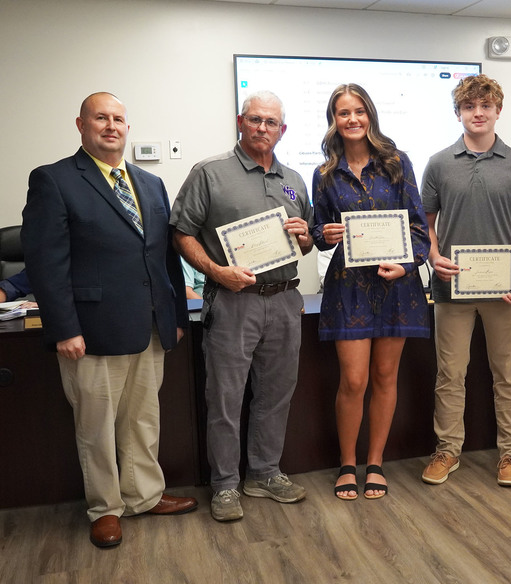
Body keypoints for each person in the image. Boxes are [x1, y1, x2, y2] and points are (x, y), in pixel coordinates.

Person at [20, 92, 196, 548]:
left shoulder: (150, 183)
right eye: (101, 117)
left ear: (127, 128)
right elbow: (45, 263)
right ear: (81, 124)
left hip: (150, 327)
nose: (111, 126)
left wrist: (175, 313)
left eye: (118, 118)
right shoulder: (54, 180)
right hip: (91, 331)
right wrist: (64, 328)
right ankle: (105, 508)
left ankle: (143, 496)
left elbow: (164, 258)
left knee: (143, 420)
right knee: (96, 427)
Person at [170, 90, 313, 521]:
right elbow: (181, 232)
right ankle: (226, 485)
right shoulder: (209, 173)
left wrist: (305, 236)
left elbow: (304, 247)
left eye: (271, 122)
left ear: (282, 130)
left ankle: (264, 474)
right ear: (240, 121)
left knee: (276, 396)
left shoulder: (294, 179)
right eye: (255, 120)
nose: (262, 128)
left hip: (286, 300)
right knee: (226, 399)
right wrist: (216, 271)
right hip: (233, 302)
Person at [311, 84, 430, 500]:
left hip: (396, 284)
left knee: (384, 376)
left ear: (371, 116)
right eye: (343, 113)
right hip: (349, 289)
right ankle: (348, 463)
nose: (353, 119)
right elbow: (319, 234)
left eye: (359, 111)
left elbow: (419, 226)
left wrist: (409, 262)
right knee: (355, 380)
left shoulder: (397, 164)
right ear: (334, 120)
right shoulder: (325, 174)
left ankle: (375, 462)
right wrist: (323, 234)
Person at [420, 74, 511, 487]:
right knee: (450, 374)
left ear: (497, 111)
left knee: (508, 373)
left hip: (507, 291)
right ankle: (448, 450)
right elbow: (425, 225)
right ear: (458, 113)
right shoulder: (437, 163)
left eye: (485, 106)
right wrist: (433, 256)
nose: (478, 113)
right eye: (469, 107)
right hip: (452, 289)